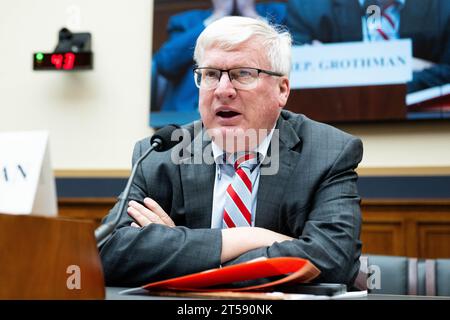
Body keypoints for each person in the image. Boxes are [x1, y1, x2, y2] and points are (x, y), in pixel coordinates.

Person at [100, 16, 363, 288]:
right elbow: (110, 252)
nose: (223, 90)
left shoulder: (328, 152)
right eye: (211, 74)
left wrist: (185, 250)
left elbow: (332, 260)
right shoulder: (160, 154)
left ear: (281, 90)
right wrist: (248, 238)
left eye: (243, 74)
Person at [286, 0, 450, 93]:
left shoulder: (443, 7)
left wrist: (333, 65)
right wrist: (407, 65)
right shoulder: (307, 7)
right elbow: (295, 78)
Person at [152, 1, 286, 113]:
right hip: (189, 116)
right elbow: (164, 63)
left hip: (254, 114)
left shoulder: (276, 14)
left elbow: (282, 57)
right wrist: (217, 17)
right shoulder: (186, 21)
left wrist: (250, 13)